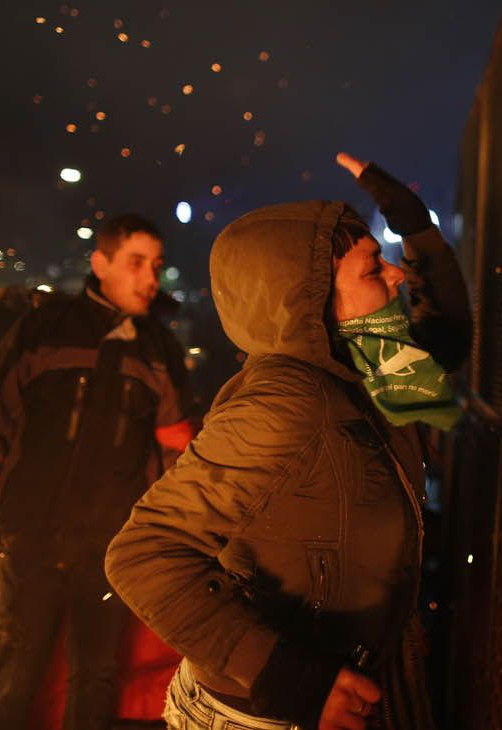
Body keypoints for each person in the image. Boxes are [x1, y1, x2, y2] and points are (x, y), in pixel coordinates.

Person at [104, 153, 471, 730]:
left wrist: (412, 222)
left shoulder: (365, 362)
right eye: (374, 269)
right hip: (266, 716)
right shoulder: (286, 404)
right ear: (312, 299)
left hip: (349, 686)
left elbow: (446, 338)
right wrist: (292, 678)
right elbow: (143, 552)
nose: (396, 275)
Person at [0, 213, 196, 730]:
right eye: (136, 263)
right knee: (12, 686)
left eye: (157, 265)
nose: (151, 278)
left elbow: (179, 455)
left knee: (96, 687)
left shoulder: (159, 350)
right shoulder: (42, 330)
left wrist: (176, 536)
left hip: (111, 551)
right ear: (100, 263)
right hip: (30, 541)